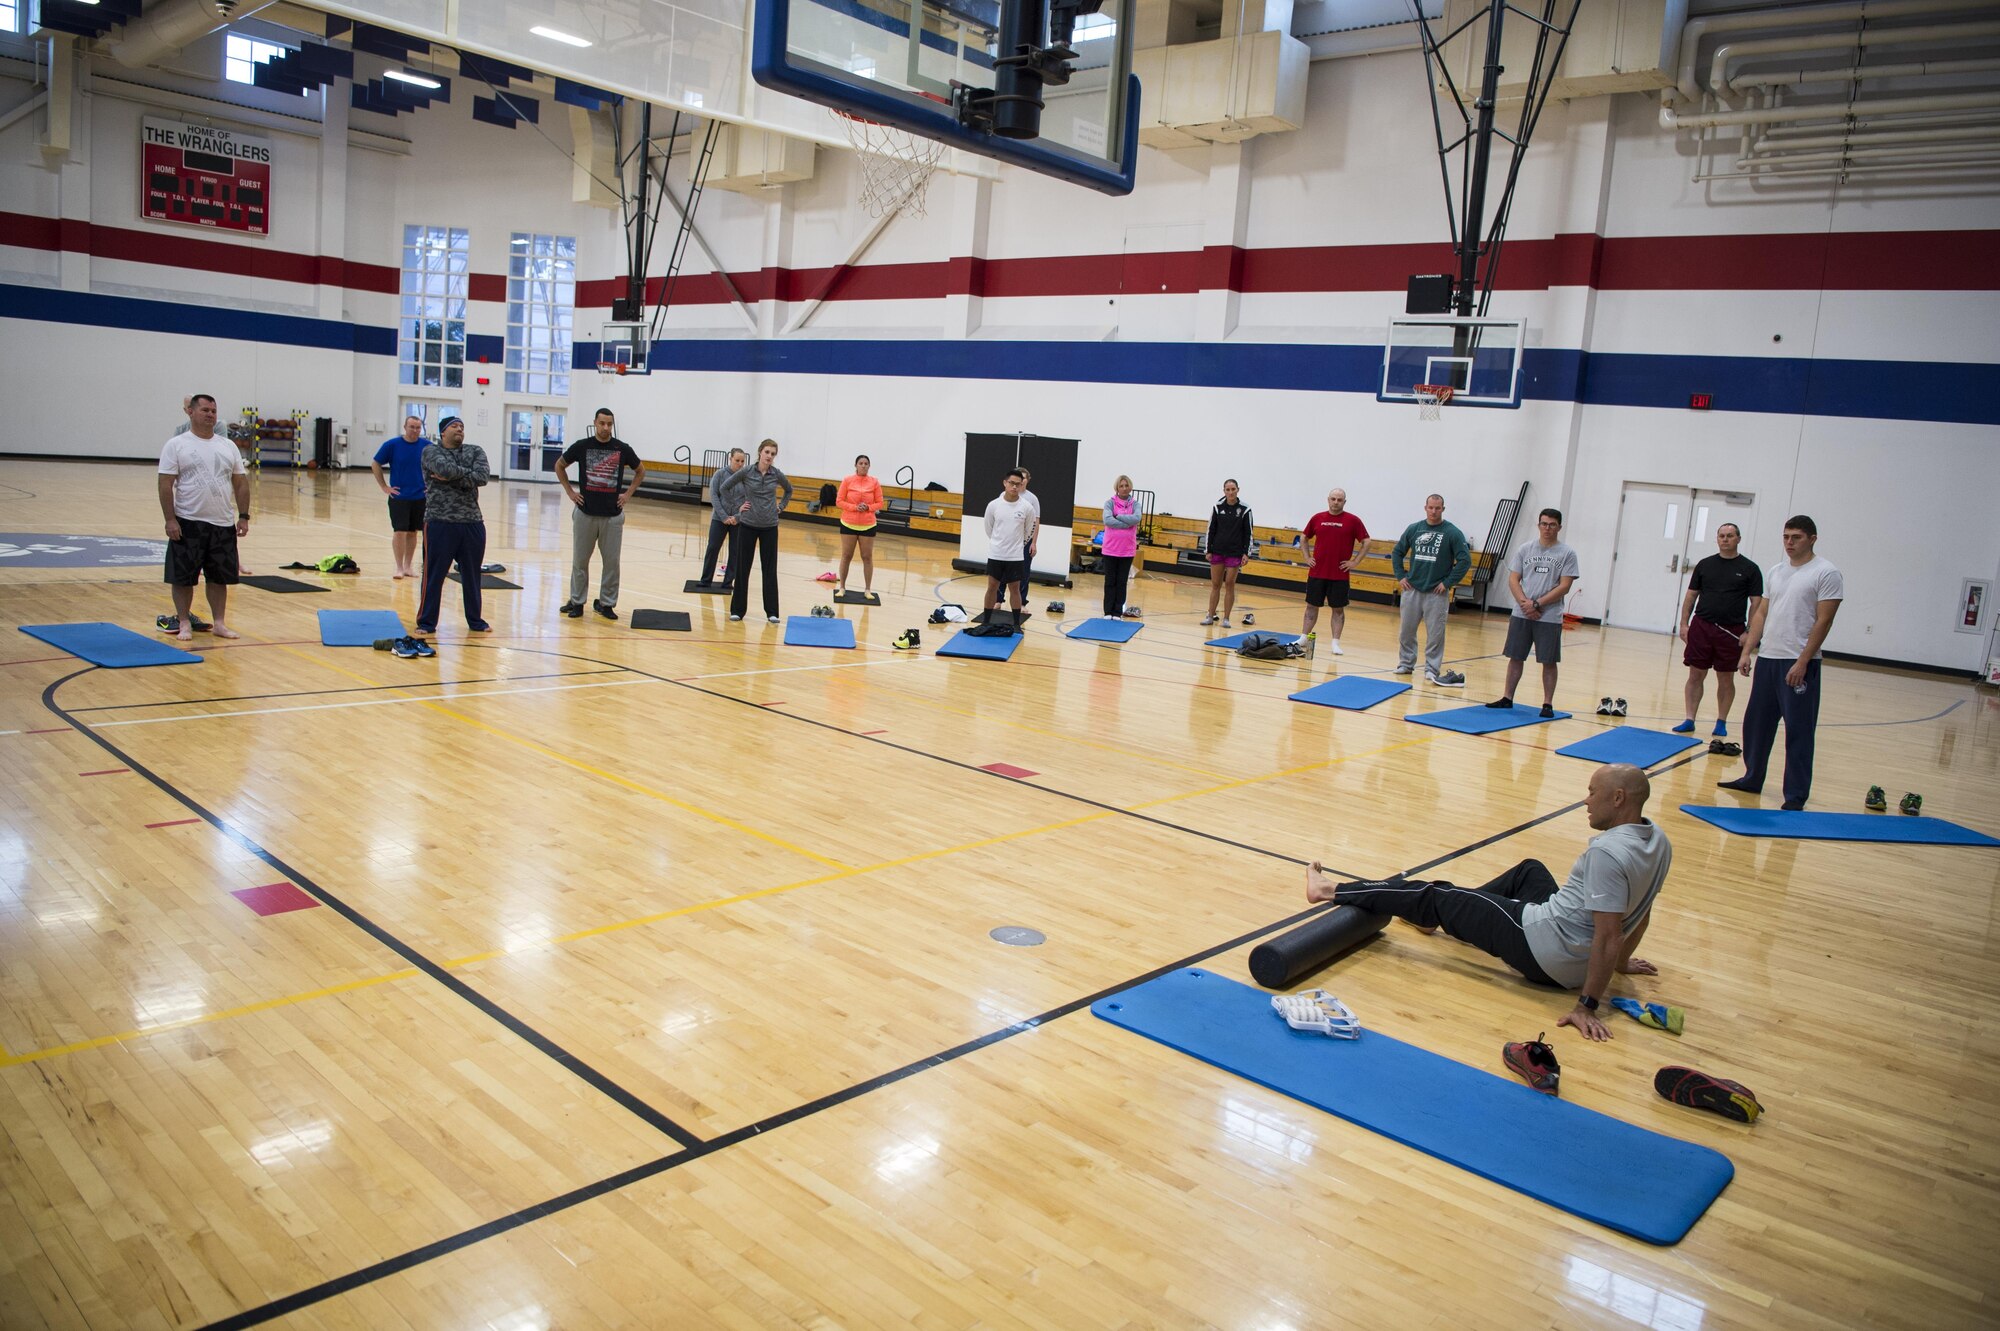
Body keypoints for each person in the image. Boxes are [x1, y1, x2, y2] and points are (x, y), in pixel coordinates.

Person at [1304, 763, 1669, 1042]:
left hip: (1541, 948)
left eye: (1593, 792)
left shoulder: (1607, 852)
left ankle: (1329, 889)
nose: (1586, 801)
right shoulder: (1657, 842)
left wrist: (1586, 1006)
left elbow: (1609, 935)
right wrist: (1620, 965)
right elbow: (1642, 912)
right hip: (1569, 947)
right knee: (1530, 871)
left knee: (1434, 892)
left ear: (1618, 798)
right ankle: (1445, 918)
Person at [1720, 516, 1843, 810]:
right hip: (1769, 659)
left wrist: (1803, 661)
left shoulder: (1826, 573)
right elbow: (1761, 614)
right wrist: (1748, 650)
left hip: (1799, 663)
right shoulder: (1776, 571)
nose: (1789, 542)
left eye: (1796, 537)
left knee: (1799, 730)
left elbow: (1824, 621)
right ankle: (1752, 777)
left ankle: (1796, 795)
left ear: (1812, 539)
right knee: (1756, 724)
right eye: (1786, 536)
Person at [157, 393, 248, 642]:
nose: (210, 415)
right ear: (191, 412)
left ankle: (219, 623)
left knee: (220, 577)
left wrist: (243, 516)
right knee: (183, 577)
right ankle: (184, 621)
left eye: (213, 411)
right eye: (205, 410)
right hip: (188, 521)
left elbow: (240, 482)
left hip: (221, 522)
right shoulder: (176, 444)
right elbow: (165, 484)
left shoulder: (227, 446)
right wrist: (170, 519)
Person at [1487, 508, 1580, 717]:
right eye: (1544, 524)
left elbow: (1564, 586)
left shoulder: (1567, 553)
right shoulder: (1525, 549)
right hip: (1522, 613)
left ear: (1559, 527)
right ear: (1538, 525)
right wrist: (1525, 604)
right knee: (1515, 656)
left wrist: (1537, 604)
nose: (1547, 528)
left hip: (1549, 615)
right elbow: (1513, 579)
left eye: (1552, 524)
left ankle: (1547, 704)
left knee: (1548, 660)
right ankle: (1507, 698)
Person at [1674, 522, 1763, 737]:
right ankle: (1689, 719)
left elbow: (1757, 603)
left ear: (1738, 539)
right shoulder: (1705, 565)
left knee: (1725, 678)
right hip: (1702, 627)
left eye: (1730, 536)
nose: (1725, 539)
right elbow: (1691, 596)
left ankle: (1721, 722)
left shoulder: (1750, 569)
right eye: (1722, 535)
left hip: (1731, 631)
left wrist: (1749, 631)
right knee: (1696, 674)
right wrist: (1684, 624)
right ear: (1717, 539)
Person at [557, 407, 645, 620]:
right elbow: (559, 466)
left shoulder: (622, 449)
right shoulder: (582, 446)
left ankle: (606, 603)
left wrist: (627, 494)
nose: (606, 428)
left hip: (612, 517)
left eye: (609, 424)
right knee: (580, 561)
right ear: (595, 423)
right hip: (585, 514)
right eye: (602, 423)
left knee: (612, 563)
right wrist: (570, 492)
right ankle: (577, 602)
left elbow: (640, 471)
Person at [414, 416, 492, 636]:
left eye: (462, 427)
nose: (460, 429)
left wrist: (450, 477)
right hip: (440, 521)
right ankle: (427, 622)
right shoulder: (430, 452)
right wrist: (466, 475)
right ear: (443, 433)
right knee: (434, 574)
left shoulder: (475, 450)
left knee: (472, 575)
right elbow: (444, 469)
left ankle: (475, 620)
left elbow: (483, 477)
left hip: (472, 521)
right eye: (454, 426)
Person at [1390, 493, 1471, 686]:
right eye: (1430, 507)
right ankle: (1406, 664)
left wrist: (1448, 582)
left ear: (1443, 509)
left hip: (1437, 592)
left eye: (1437, 508)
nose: (1434, 511)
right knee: (1406, 631)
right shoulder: (1414, 529)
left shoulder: (1452, 532)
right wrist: (1401, 576)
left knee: (1435, 633)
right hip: (1412, 589)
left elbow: (1464, 560)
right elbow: (1397, 552)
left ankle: (1432, 669)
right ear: (1425, 507)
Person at [721, 438, 793, 624]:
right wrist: (739, 506)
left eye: (773, 454)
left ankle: (772, 612)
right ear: (760, 452)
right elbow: (724, 487)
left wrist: (781, 507)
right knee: (742, 568)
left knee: (769, 569)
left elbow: (788, 490)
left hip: (769, 527)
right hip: (748, 525)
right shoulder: (746, 471)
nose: (769, 456)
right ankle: (737, 610)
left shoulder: (776, 474)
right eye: (767, 452)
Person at [1301, 487, 1369, 655]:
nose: (1336, 502)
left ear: (1344, 502)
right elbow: (1304, 538)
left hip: (1339, 575)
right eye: (1333, 499)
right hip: (1317, 573)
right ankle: (1303, 637)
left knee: (1338, 609)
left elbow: (1366, 542)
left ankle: (1335, 643)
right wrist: (1307, 557)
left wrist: (1355, 562)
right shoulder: (1317, 518)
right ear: (1328, 499)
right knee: (1311, 607)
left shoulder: (1353, 521)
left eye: (1339, 500)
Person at [371, 415, 430, 579]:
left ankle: (408, 566)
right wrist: (384, 486)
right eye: (412, 427)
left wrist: (430, 486)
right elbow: (375, 463)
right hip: (399, 497)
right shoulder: (392, 445)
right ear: (405, 427)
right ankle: (398, 567)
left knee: (412, 533)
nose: (415, 430)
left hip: (420, 497)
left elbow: (436, 466)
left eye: (418, 427)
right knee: (400, 532)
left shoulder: (427, 446)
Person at [983, 469, 1036, 621]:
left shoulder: (1027, 507)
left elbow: (1028, 531)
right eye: (1011, 483)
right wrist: (998, 543)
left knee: (1015, 589)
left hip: (1015, 556)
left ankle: (1016, 623)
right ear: (1005, 483)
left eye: (1018, 484)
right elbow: (989, 528)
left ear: (1021, 486)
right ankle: (986, 620)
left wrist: (1018, 545)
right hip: (996, 554)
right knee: (992, 587)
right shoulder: (993, 505)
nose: (1014, 487)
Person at [1201, 479, 1253, 628]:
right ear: (1224, 491)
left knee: (1229, 584)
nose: (1230, 492)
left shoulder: (1245, 509)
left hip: (1235, 552)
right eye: (1228, 490)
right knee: (1215, 584)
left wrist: (1246, 553)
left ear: (1238, 490)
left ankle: (1226, 619)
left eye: (1233, 489)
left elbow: (1249, 532)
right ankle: (1210, 615)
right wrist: (1208, 550)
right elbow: (1211, 529)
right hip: (1217, 550)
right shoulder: (1217, 507)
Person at [698, 447, 747, 590]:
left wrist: (737, 517)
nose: (740, 463)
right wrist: (724, 516)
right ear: (730, 459)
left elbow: (748, 500)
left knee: (735, 551)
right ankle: (705, 580)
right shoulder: (720, 474)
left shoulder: (745, 478)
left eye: (742, 461)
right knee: (713, 548)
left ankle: (728, 582)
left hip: (738, 521)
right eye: (737, 460)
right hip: (719, 519)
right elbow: (713, 496)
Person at [835, 454, 883, 596]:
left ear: (869, 466)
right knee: (846, 555)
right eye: (860, 463)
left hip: (868, 525)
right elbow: (839, 501)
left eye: (866, 463)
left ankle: (868, 589)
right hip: (848, 523)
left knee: (867, 556)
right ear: (855, 465)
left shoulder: (874, 482)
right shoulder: (847, 480)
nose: (863, 465)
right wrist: (855, 507)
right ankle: (842, 587)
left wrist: (868, 507)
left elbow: (880, 503)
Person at [1100, 475, 1141, 618]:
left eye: (1126, 485)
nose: (1124, 488)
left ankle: (1117, 612)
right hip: (1110, 549)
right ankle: (1108, 612)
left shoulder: (1135, 504)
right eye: (1121, 486)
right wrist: (1127, 523)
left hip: (1127, 550)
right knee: (1110, 581)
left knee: (1121, 582)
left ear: (1130, 487)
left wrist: (1118, 516)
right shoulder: (1109, 503)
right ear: (1117, 488)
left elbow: (1136, 518)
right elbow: (1107, 520)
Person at [1015, 466, 1040, 608]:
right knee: (1004, 570)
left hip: (1025, 541)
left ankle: (1022, 602)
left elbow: (1036, 522)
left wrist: (1033, 543)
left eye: (1024, 478)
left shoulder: (1032, 499)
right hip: (1010, 540)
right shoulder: (1005, 495)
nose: (1022, 480)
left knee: (1024, 572)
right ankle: (999, 600)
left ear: (1027, 480)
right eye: (1019, 477)